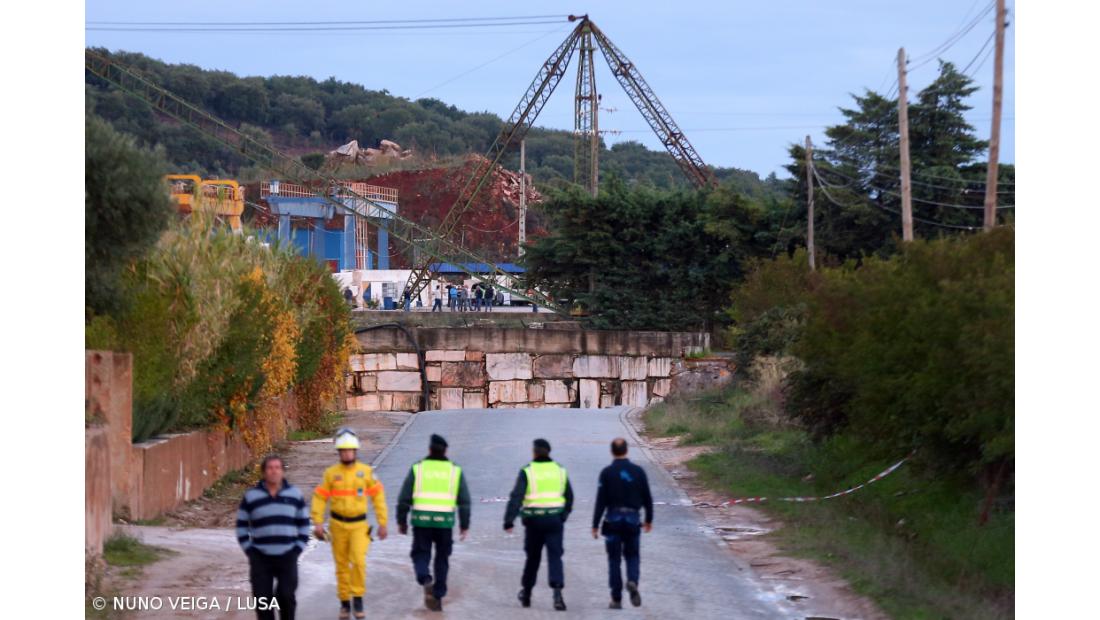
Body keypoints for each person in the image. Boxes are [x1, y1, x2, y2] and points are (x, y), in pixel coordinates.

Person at [311, 429, 389, 620]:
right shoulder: (331, 474)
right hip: (337, 526)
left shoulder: (366, 472)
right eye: (343, 450)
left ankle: (358, 598)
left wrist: (382, 522)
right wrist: (318, 521)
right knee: (341, 566)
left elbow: (378, 498)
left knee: (359, 562)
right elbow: (320, 498)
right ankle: (345, 603)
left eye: (350, 450)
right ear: (339, 452)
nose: (347, 453)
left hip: (359, 526)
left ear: (355, 451)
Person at [396, 434, 471, 612]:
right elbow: (464, 501)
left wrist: (402, 521)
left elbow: (404, 498)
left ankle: (425, 578)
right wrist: (464, 524)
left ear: (429, 450)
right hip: (444, 523)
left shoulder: (418, 469)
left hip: (421, 521)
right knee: (442, 559)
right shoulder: (454, 470)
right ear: (445, 451)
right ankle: (437, 595)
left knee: (421, 553)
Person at [504, 438, 574, 611]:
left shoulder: (528, 471)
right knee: (555, 556)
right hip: (554, 521)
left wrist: (509, 520)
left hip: (534, 522)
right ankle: (557, 595)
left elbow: (516, 496)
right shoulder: (560, 470)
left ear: (534, 452)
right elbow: (569, 497)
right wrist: (562, 516)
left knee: (533, 558)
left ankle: (526, 593)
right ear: (548, 452)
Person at [237, 455, 309, 620]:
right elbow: (241, 526)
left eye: (277, 467)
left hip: (287, 555)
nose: (274, 471)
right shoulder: (251, 497)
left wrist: (297, 549)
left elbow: (304, 524)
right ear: (263, 472)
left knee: (285, 596)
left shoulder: (295, 495)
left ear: (283, 471)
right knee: (263, 601)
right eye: (270, 468)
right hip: (261, 558)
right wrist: (250, 551)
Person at [592, 438, 654, 609]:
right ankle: (633, 581)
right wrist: (649, 519)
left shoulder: (606, 473)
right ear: (627, 450)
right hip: (633, 520)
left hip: (613, 520)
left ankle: (616, 598)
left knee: (614, 560)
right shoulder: (638, 472)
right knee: (633, 555)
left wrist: (595, 525)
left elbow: (600, 501)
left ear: (612, 452)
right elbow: (647, 497)